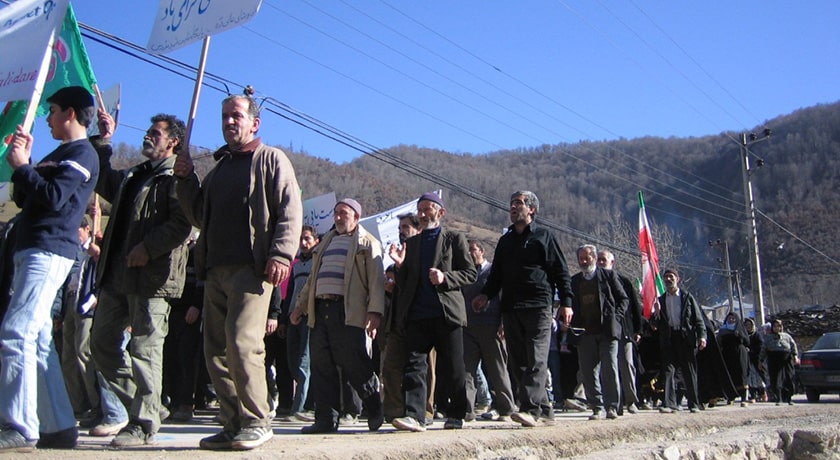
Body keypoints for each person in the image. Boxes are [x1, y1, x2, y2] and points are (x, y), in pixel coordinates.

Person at [175, 93, 303, 450]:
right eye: (225, 116)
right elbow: (199, 216)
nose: (229, 121)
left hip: (252, 269)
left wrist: (281, 254)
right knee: (215, 351)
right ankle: (232, 423)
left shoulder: (271, 159)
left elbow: (290, 211)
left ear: (254, 123)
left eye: (236, 115)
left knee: (243, 343)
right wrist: (185, 180)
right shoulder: (218, 171)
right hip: (215, 270)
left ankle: (257, 420)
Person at [0, 86, 100, 451]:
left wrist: (25, 168)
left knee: (16, 332)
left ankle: (19, 425)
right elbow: (25, 197)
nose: (48, 118)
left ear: (70, 114)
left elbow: (55, 198)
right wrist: (24, 161)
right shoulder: (57, 154)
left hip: (49, 249)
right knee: (40, 339)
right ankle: (58, 426)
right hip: (30, 247)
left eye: (53, 110)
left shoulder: (82, 153)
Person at [90, 111, 192, 447]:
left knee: (145, 349)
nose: (147, 136)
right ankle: (147, 403)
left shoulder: (177, 177)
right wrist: (104, 141)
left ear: (173, 142)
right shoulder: (134, 175)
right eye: (148, 131)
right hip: (116, 276)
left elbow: (183, 224)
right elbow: (102, 180)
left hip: (152, 279)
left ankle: (143, 423)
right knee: (101, 344)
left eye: (155, 133)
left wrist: (148, 248)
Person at [473, 191, 573, 428]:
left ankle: (530, 409)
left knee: (536, 358)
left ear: (531, 209)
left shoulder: (544, 236)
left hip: (539, 306)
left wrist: (567, 303)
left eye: (518, 203)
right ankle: (545, 409)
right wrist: (485, 295)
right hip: (510, 308)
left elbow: (561, 271)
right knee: (518, 362)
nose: (513, 207)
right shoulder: (505, 241)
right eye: (511, 203)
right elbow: (496, 276)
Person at [290, 198, 385, 434]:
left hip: (348, 311)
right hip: (320, 309)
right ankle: (326, 420)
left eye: (344, 213)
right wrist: (300, 307)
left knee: (355, 363)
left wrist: (374, 312)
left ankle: (374, 406)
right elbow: (312, 279)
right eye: (336, 213)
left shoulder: (367, 243)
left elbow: (376, 281)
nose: (339, 217)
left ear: (356, 217)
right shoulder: (325, 243)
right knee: (322, 366)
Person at [391, 193, 476, 432]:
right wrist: (399, 266)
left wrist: (445, 277)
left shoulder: (454, 238)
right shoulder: (412, 244)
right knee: (414, 365)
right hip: (417, 314)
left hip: (446, 313)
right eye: (420, 209)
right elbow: (406, 283)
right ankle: (415, 416)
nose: (422, 213)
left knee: (453, 367)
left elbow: (470, 273)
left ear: (441, 212)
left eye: (428, 209)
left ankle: (456, 414)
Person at [569, 245, 627, 420]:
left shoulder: (608, 276)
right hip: (585, 332)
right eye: (581, 259)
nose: (583, 262)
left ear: (594, 258)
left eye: (586, 258)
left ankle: (612, 406)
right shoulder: (574, 281)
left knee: (610, 368)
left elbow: (623, 299)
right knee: (588, 371)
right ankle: (596, 406)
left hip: (607, 331)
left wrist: (615, 317)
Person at [461, 240, 515, 421]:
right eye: (467, 251)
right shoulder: (466, 274)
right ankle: (466, 409)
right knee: (467, 370)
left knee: (497, 370)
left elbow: (504, 297)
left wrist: (503, 323)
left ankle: (506, 408)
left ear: (482, 251)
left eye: (473, 250)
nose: (470, 253)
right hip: (468, 327)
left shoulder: (494, 272)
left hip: (491, 326)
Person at [381, 212, 422, 422]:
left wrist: (402, 266)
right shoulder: (397, 257)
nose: (401, 232)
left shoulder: (423, 253)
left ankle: (424, 411)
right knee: (390, 367)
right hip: (397, 320)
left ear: (417, 229)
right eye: (400, 228)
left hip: (419, 318)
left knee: (421, 368)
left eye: (406, 227)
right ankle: (393, 411)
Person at [279, 225, 320, 421]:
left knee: (305, 361)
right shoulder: (295, 265)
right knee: (292, 361)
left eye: (307, 239)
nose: (303, 243)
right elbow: (290, 294)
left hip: (308, 317)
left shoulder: (318, 263)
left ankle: (300, 408)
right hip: (292, 317)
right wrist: (284, 319)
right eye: (301, 240)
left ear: (316, 241)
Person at [597, 249, 644, 415]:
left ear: (612, 262)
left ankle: (631, 401)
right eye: (598, 260)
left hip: (624, 329)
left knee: (626, 364)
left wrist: (638, 329)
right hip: (604, 331)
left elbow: (634, 307)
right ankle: (613, 404)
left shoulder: (624, 281)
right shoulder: (593, 282)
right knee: (608, 366)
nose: (600, 262)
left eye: (603, 260)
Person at [654, 268, 707, 414]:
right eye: (666, 277)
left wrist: (702, 336)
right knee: (668, 371)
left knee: (689, 371)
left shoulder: (687, 298)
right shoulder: (660, 300)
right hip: (669, 339)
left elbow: (698, 319)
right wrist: (656, 313)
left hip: (685, 339)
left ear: (678, 279)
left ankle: (693, 403)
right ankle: (669, 404)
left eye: (671, 277)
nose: (668, 279)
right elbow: (654, 325)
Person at [761, 319, 799, 405]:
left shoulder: (787, 336)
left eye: (779, 326)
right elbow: (763, 350)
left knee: (789, 378)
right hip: (774, 359)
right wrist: (761, 361)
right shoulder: (768, 338)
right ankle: (779, 398)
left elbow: (793, 346)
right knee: (776, 379)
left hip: (786, 359)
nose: (777, 328)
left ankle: (789, 398)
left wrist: (795, 356)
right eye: (775, 326)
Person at [716, 312, 750, 406]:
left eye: (733, 318)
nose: (731, 320)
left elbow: (747, 342)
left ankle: (744, 398)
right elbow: (719, 342)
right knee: (730, 375)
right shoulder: (723, 330)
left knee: (741, 375)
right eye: (729, 318)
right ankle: (731, 397)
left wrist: (739, 335)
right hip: (727, 355)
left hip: (740, 354)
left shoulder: (740, 329)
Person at [743, 318, 768, 402]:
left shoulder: (757, 335)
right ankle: (753, 396)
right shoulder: (743, 335)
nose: (748, 327)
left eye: (749, 325)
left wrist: (752, 351)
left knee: (759, 379)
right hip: (747, 360)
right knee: (750, 379)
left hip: (756, 360)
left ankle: (762, 393)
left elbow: (760, 347)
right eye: (746, 325)